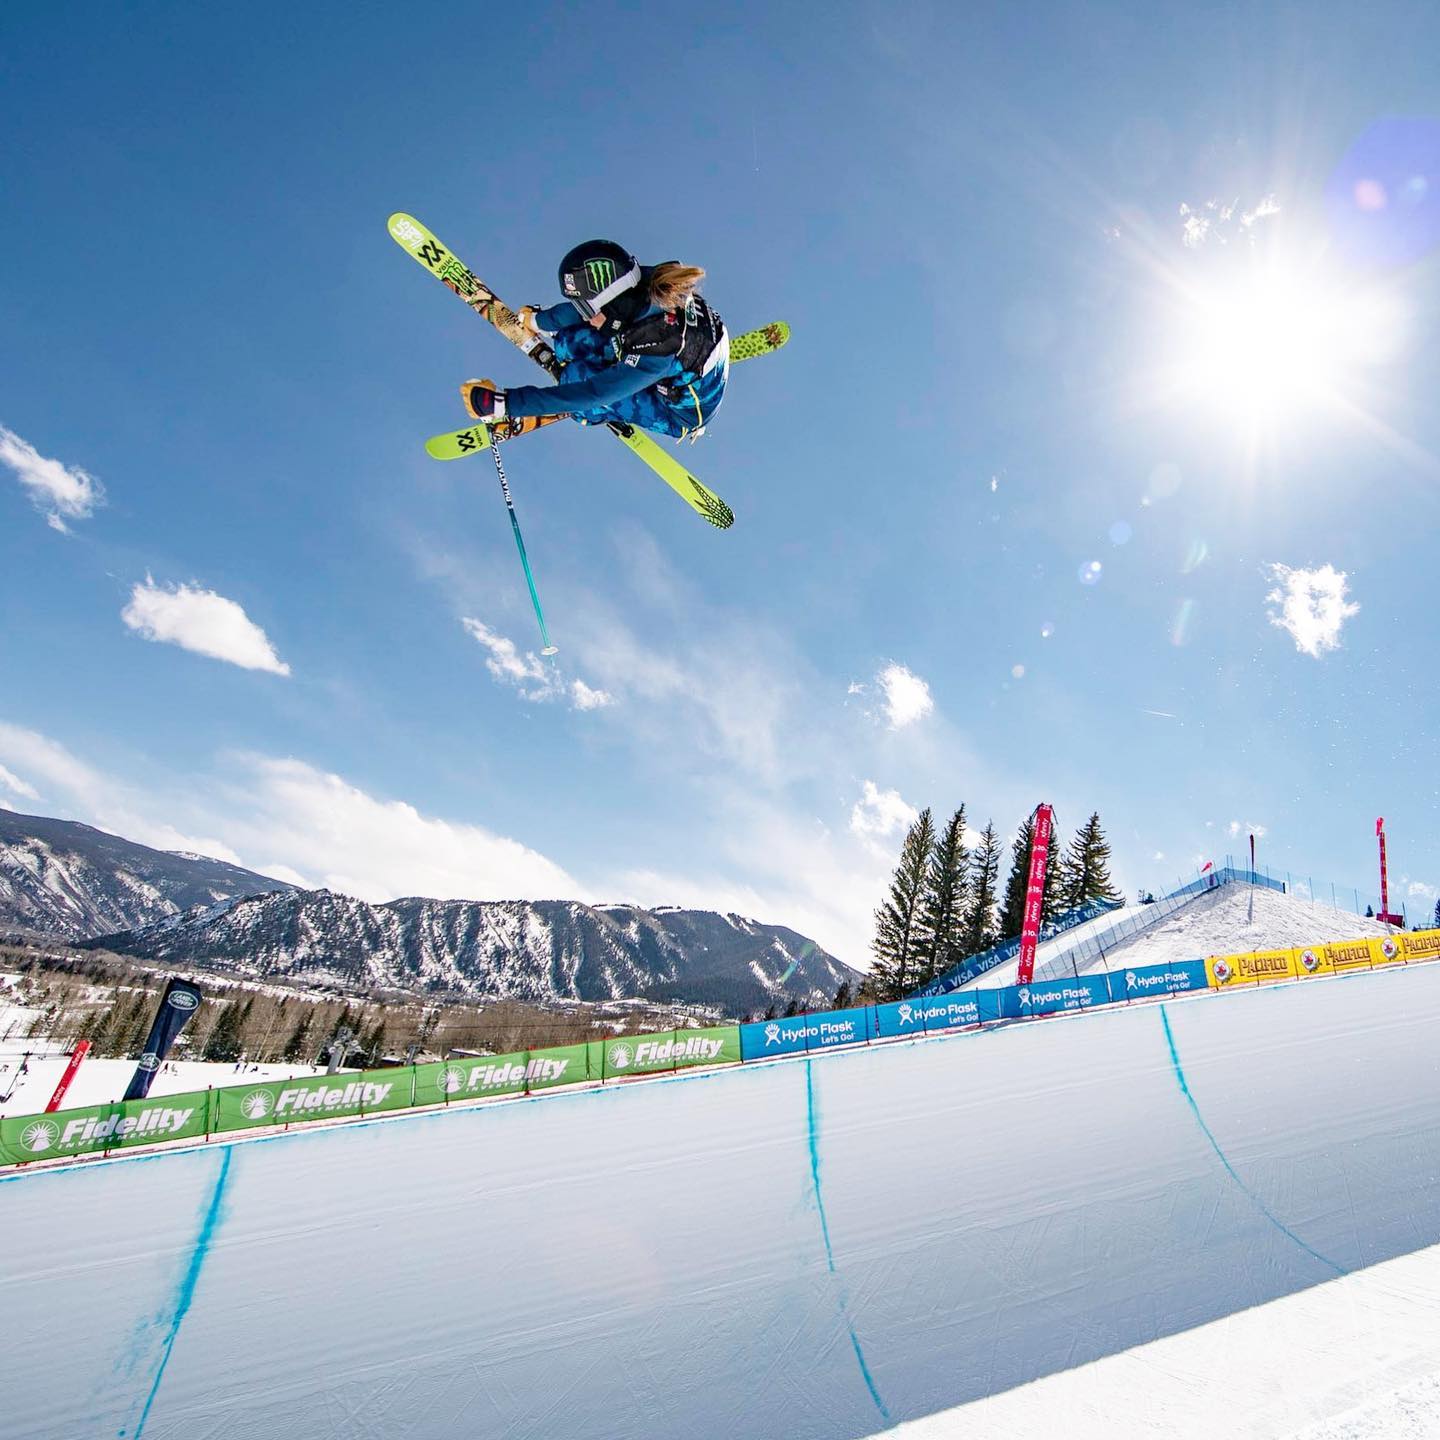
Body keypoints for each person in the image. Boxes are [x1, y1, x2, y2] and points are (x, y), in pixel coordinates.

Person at [461, 239, 729, 440]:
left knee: (576, 382)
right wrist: (536, 322)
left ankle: (606, 412)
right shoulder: (644, 282)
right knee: (569, 340)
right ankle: (604, 368)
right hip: (684, 352)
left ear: (613, 308)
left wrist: (503, 404)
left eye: (589, 310)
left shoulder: (657, 349)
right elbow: (584, 310)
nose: (587, 316)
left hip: (676, 411)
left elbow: (591, 394)